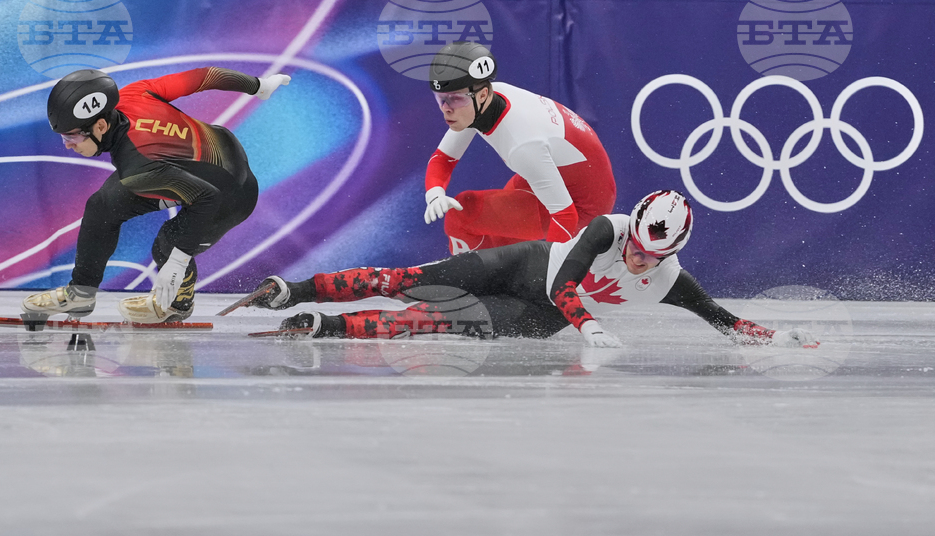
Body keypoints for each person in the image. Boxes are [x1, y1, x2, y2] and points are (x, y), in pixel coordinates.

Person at [237, 190, 817, 349]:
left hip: (537, 315)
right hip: (526, 264)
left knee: (427, 320)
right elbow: (566, 282)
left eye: (650, 255)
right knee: (405, 278)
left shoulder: (670, 283)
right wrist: (590, 326)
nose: (636, 257)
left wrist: (773, 337)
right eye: (636, 244)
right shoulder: (608, 229)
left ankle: (322, 325)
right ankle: (293, 290)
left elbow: (720, 318)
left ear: (669, 255)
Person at [21, 66, 291, 323]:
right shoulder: (134, 93)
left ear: (101, 126)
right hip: (212, 153)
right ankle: (80, 294)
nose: (67, 146)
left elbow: (207, 198)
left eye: (72, 138)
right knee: (102, 205)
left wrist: (177, 260)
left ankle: (177, 304)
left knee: (168, 245)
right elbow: (206, 76)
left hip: (231, 194)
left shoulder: (137, 165)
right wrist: (258, 86)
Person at [423, 41, 617, 255]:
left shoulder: (523, 145)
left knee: (462, 214)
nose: (446, 109)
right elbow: (443, 159)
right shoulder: (483, 100)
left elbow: (565, 215)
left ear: (482, 95)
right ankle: (490, 281)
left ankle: (472, 283)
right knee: (498, 244)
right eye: (440, 99)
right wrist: (434, 194)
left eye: (455, 99)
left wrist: (545, 279)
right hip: (568, 177)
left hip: (583, 205)